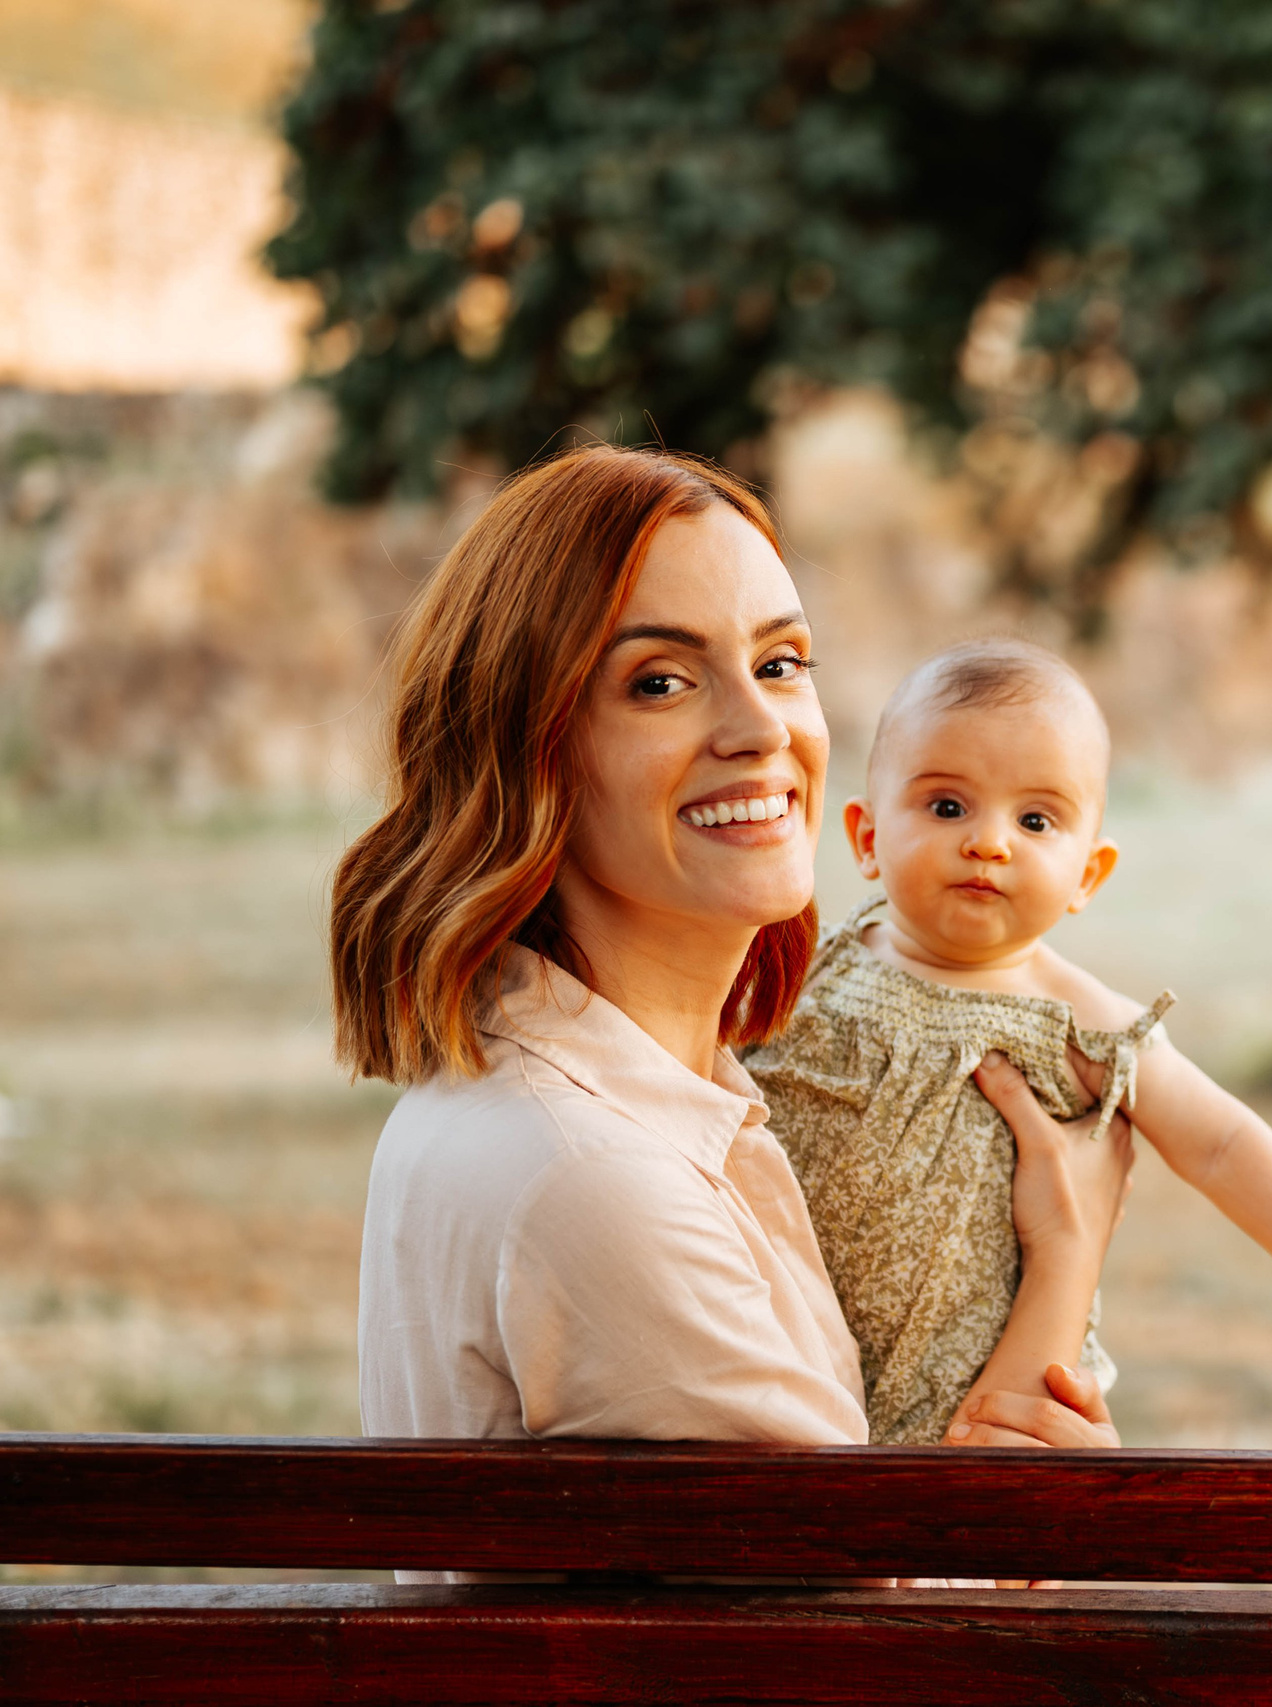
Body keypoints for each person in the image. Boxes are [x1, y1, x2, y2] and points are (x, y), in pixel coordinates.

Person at [333, 447, 1133, 1519]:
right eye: (660, 682)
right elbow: (867, 1604)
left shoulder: (558, 1091)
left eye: (781, 662)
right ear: (529, 750)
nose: (762, 730)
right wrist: (1067, 1259)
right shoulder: (596, 1175)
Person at [746, 639, 1272, 1446]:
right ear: (867, 835)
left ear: (1088, 873)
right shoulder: (812, 967)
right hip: (791, 1354)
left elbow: (1223, 1142)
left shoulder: (1082, 1024)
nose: (990, 842)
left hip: (977, 1387)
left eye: (1035, 819)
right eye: (947, 806)